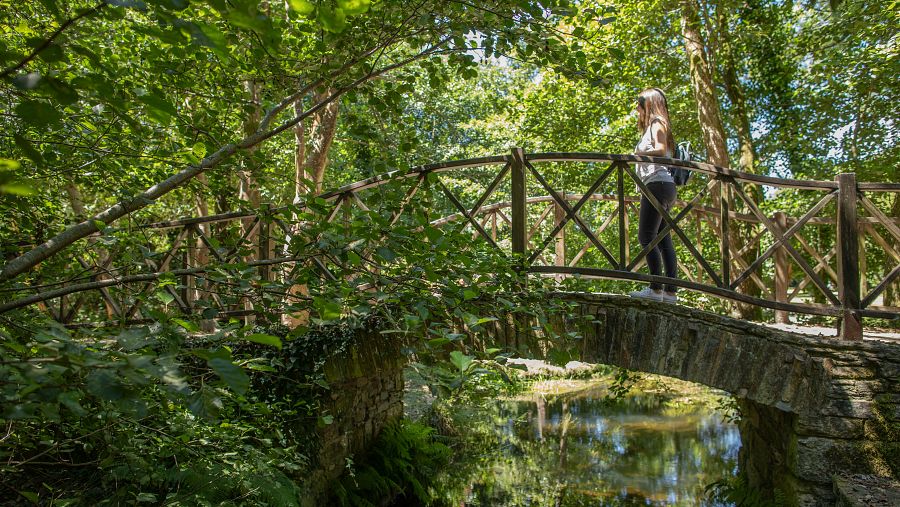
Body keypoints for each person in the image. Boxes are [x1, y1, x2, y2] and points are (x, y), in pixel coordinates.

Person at [629, 88, 678, 303]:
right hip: (663, 186)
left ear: (648, 104)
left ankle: (656, 289)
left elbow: (659, 149)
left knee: (646, 236)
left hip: (657, 184)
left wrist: (637, 154)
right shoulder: (658, 124)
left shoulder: (657, 123)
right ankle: (670, 292)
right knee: (662, 238)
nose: (637, 110)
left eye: (639, 105)